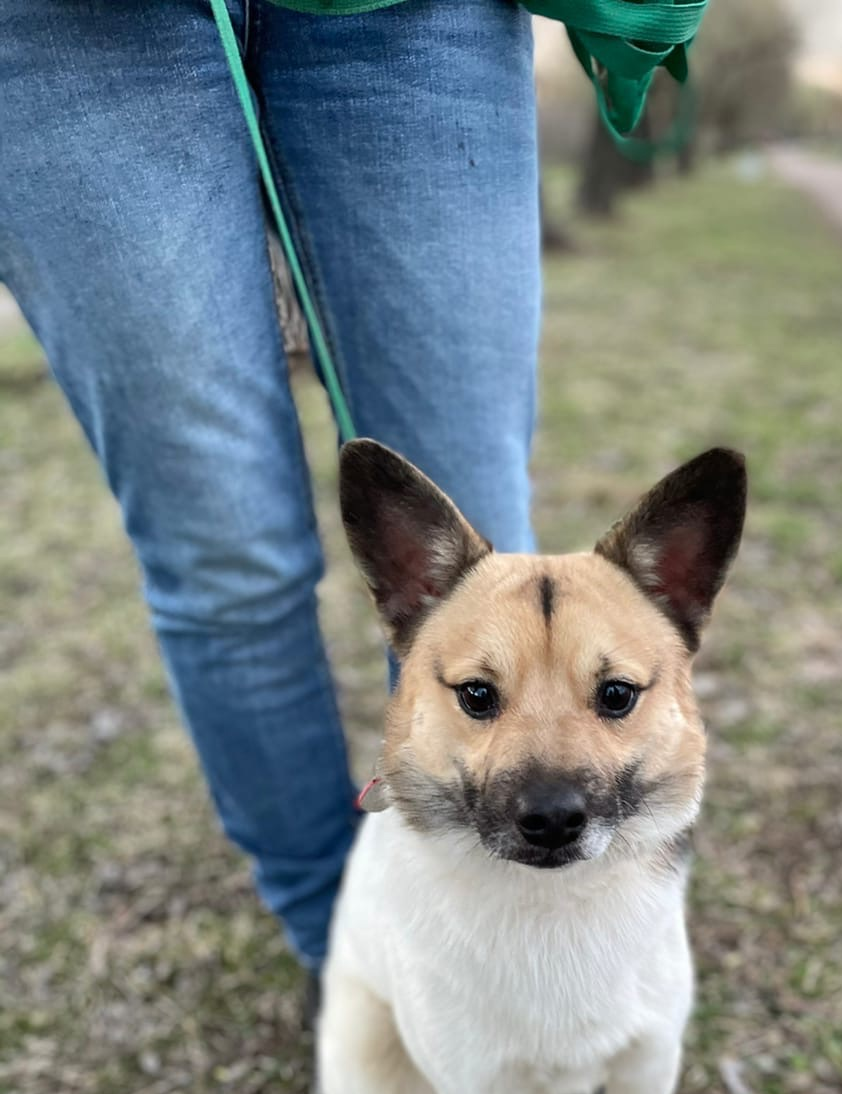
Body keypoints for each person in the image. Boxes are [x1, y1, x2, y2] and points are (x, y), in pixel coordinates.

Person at [0, 0, 540, 977]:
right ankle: (342, 952)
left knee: (480, 553)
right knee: (226, 560)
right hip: (61, 33)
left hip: (408, 15)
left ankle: (473, 941)